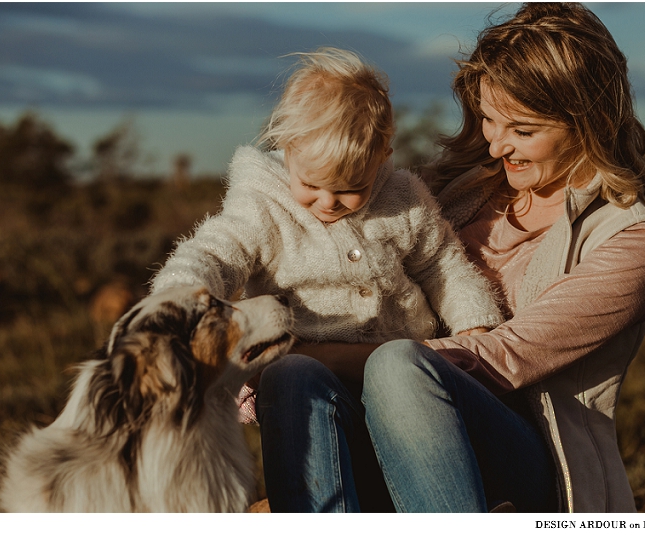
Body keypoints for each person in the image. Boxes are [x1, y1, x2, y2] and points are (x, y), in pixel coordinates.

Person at [258, 3, 645, 513]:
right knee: (291, 377)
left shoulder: (634, 238)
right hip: (392, 428)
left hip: (532, 463)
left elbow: (507, 356)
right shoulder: (451, 190)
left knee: (396, 363)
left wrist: (319, 352)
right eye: (487, 119)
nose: (497, 144)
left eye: (522, 131)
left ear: (587, 122)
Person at [148, 47, 503, 509]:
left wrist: (474, 320)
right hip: (319, 381)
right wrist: (180, 295)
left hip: (404, 388)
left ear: (382, 156)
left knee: (400, 366)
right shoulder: (263, 206)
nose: (329, 202)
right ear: (287, 151)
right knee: (290, 375)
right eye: (312, 186)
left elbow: (441, 264)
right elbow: (215, 250)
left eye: (350, 189)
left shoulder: (404, 200)